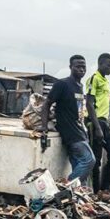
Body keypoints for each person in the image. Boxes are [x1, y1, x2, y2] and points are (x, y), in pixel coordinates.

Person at [39, 55, 95, 184]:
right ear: (71, 67)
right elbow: (47, 104)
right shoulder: (62, 84)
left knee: (78, 166)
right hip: (71, 133)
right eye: (78, 66)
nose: (81, 69)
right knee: (89, 160)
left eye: (84, 67)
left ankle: (76, 195)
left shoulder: (80, 86)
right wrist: (44, 126)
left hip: (80, 130)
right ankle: (67, 185)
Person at [86, 53, 110, 200]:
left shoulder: (106, 82)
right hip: (95, 122)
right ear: (100, 64)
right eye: (108, 65)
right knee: (97, 159)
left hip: (104, 122)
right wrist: (97, 127)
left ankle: (104, 189)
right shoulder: (94, 78)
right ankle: (96, 192)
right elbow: (89, 103)